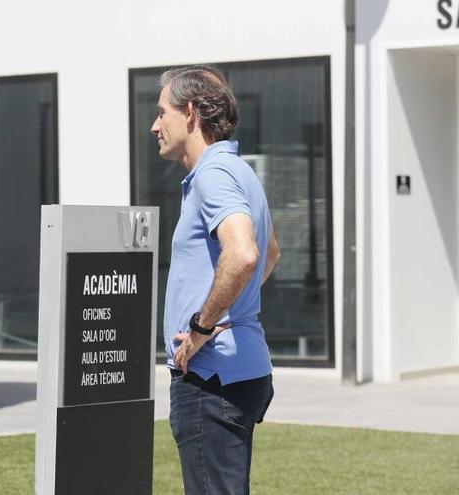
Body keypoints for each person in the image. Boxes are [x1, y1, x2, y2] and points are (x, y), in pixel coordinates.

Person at [151, 66, 280, 494]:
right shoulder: (238, 170)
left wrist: (202, 326)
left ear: (189, 114)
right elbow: (271, 253)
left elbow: (244, 253)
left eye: (161, 113)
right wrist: (233, 307)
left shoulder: (213, 175)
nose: (155, 126)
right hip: (238, 371)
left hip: (211, 378)